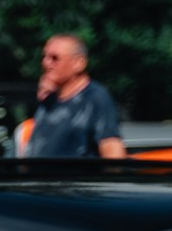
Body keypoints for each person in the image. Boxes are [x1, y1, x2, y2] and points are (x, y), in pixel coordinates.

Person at [20, 32, 124, 162]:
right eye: (44, 57)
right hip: (41, 181)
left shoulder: (95, 98)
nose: (46, 63)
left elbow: (113, 152)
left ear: (79, 63)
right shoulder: (49, 101)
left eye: (54, 58)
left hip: (76, 181)